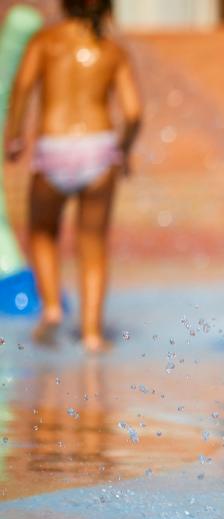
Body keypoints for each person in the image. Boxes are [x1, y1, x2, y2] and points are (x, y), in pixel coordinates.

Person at [3, 0, 141, 352]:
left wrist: (14, 134)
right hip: (98, 149)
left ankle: (50, 307)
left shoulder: (46, 41)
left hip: (55, 148)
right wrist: (123, 149)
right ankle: (92, 334)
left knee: (41, 232)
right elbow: (133, 111)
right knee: (92, 244)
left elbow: (22, 86)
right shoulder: (112, 50)